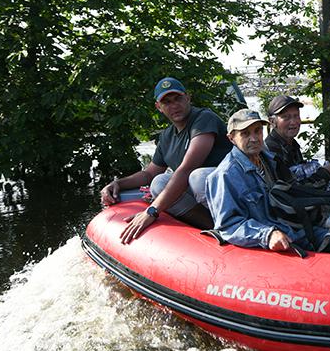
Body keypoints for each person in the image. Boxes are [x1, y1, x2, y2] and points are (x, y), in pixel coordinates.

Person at [207, 109, 330, 254]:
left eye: (258, 131)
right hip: (268, 242)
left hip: (291, 227)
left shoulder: (268, 159)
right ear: (231, 138)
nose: (254, 138)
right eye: (245, 134)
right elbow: (227, 226)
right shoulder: (225, 175)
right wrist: (267, 235)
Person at [100, 77, 233, 242]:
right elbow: (149, 174)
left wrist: (152, 211)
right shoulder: (167, 136)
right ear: (159, 107)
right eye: (167, 102)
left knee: (197, 177)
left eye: (178, 98)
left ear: (188, 98)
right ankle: (211, 227)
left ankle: (231, 226)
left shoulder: (204, 118)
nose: (174, 105)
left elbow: (187, 169)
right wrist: (118, 184)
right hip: (205, 196)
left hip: (232, 190)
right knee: (158, 182)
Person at [264, 95, 330, 187]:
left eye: (296, 116)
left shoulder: (292, 144)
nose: (293, 122)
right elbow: (292, 190)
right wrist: (325, 173)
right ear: (272, 122)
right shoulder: (271, 152)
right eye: (286, 117)